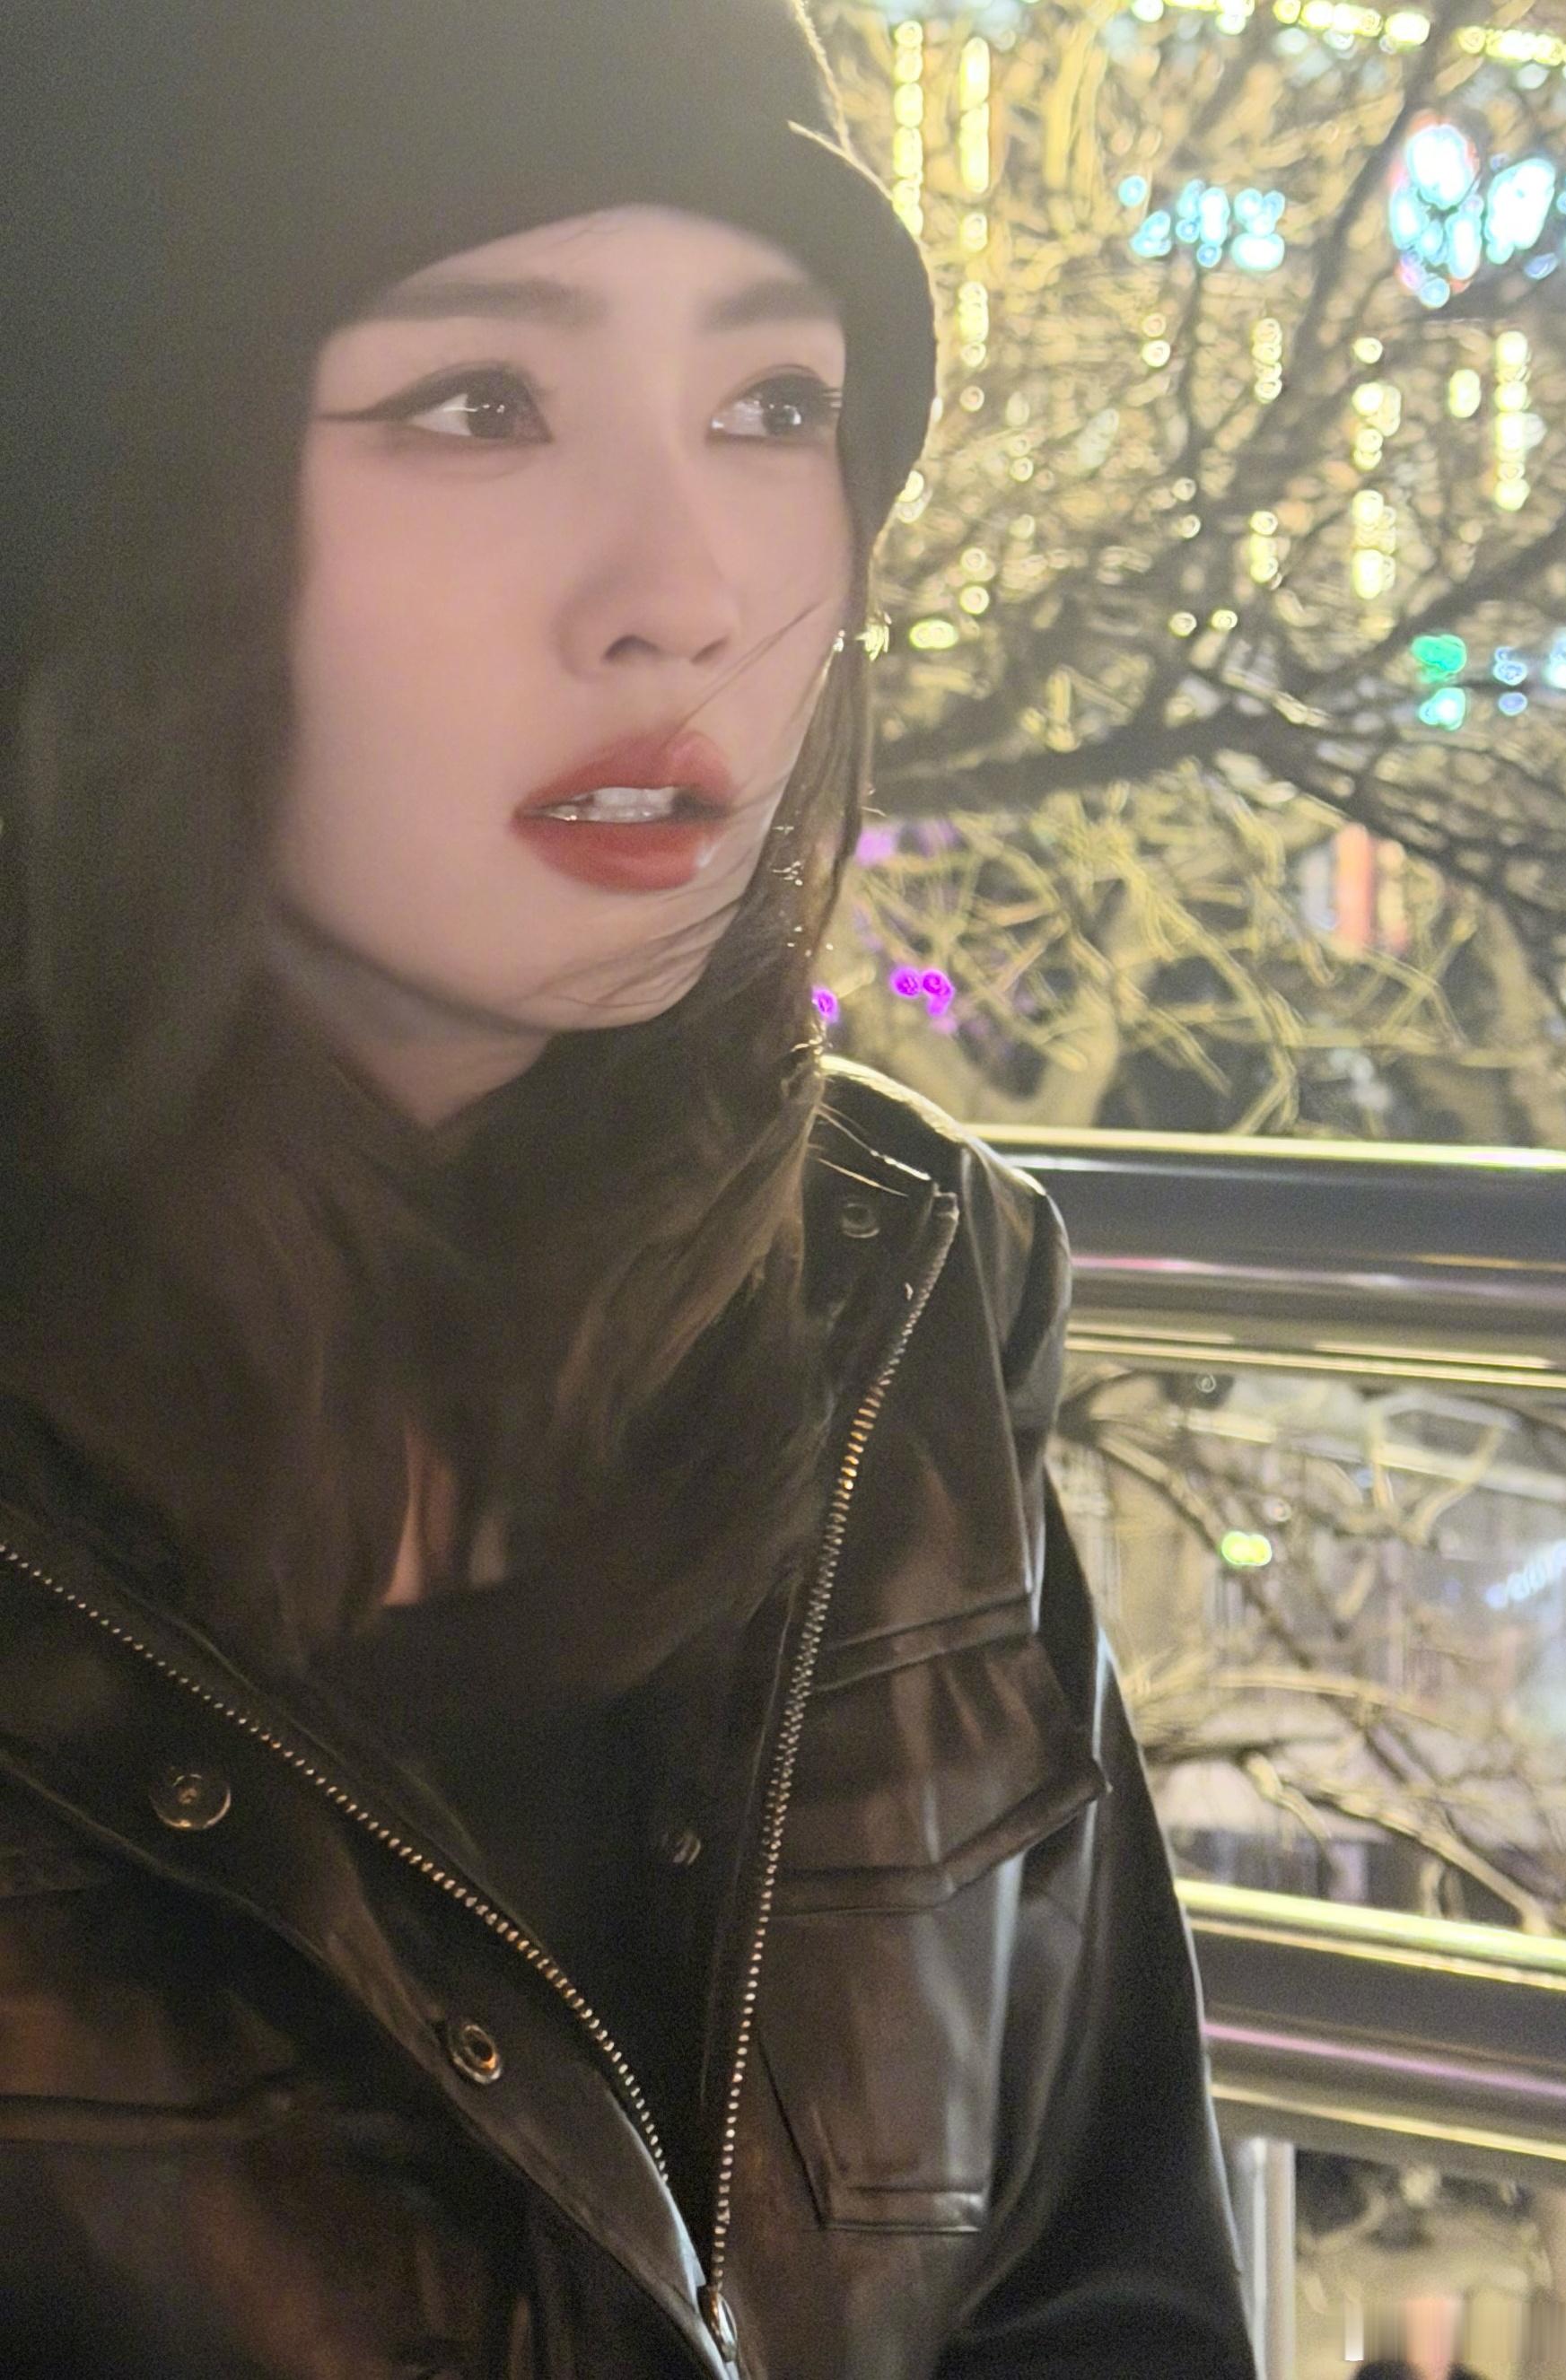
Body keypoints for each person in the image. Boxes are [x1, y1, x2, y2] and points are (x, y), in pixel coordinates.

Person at [0, 3, 1255, 2375]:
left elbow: (1099, 2295)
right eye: (481, 400)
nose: (685, 588)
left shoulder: (894, 1298)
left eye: (776, 405)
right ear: (106, 506)